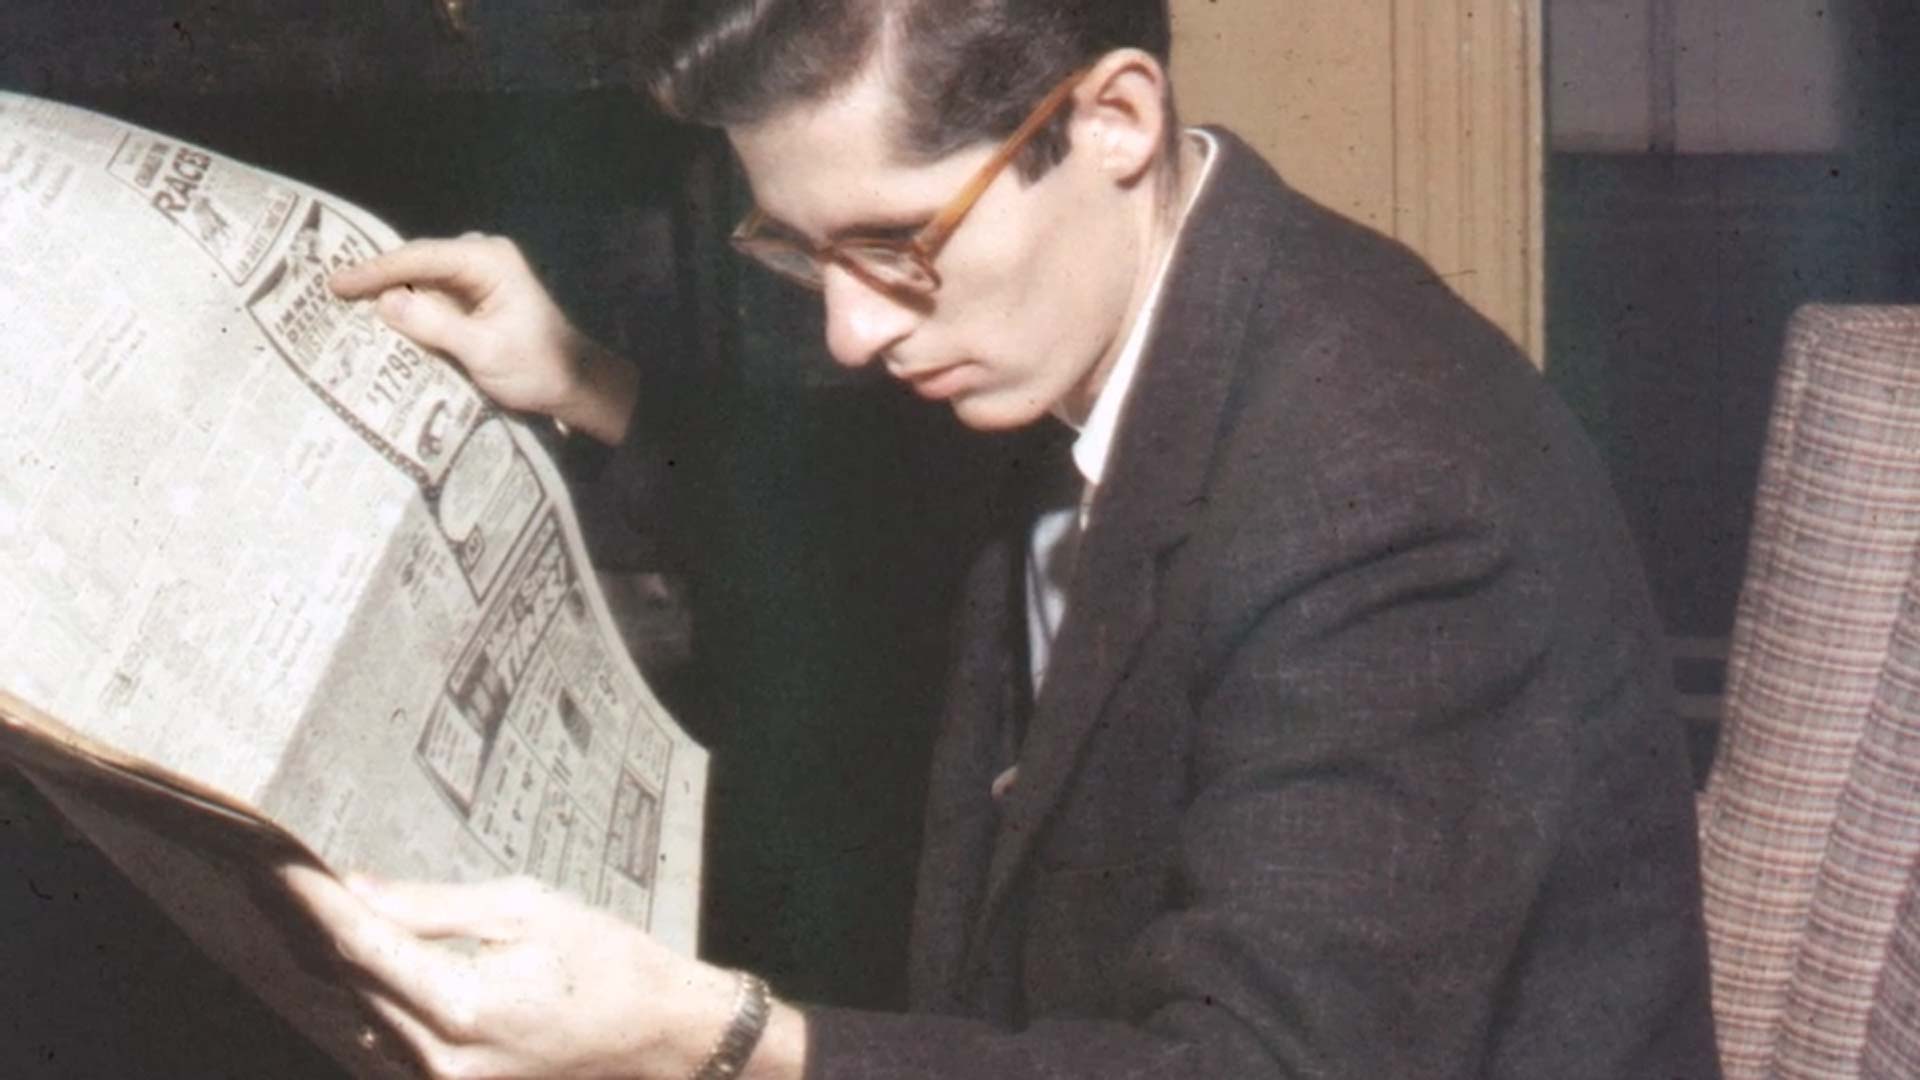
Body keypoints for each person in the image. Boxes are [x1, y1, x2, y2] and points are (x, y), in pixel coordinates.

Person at [283, 1, 1723, 1077]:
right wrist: (587, 379)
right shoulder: (1118, 312)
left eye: (899, 248)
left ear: (1114, 123)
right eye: (799, 250)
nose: (851, 331)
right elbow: (869, 509)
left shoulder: (1392, 499)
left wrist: (711, 1035)